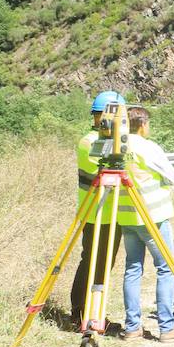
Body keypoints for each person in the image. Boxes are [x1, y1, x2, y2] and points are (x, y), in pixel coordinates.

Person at [119, 106, 174, 342]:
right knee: (165, 268)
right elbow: (173, 177)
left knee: (132, 268)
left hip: (127, 217)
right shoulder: (146, 147)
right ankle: (167, 327)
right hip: (152, 217)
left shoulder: (116, 145)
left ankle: (132, 327)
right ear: (142, 124)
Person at [69, 90, 126, 331]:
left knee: (101, 263)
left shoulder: (105, 142)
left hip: (108, 213)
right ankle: (83, 313)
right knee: (95, 263)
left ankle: (89, 312)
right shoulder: (90, 142)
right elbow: (113, 173)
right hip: (97, 214)